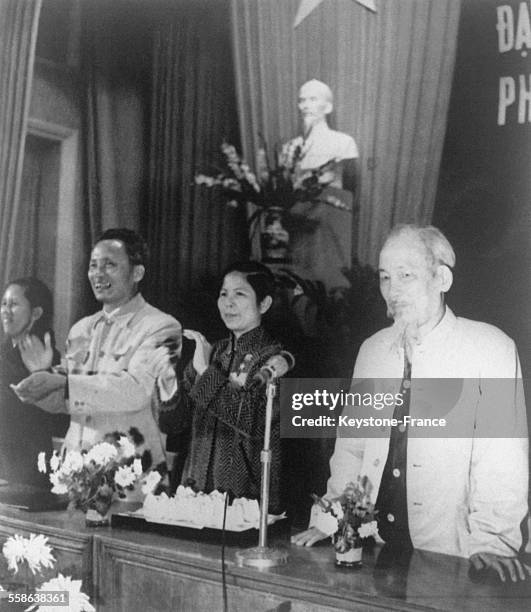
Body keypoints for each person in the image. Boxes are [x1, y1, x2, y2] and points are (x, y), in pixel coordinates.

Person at [292, 224, 530, 582]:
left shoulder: (490, 348)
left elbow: (502, 462)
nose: (393, 290)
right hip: (373, 549)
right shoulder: (372, 350)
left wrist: (491, 542)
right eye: (385, 277)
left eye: (406, 275)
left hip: (452, 553)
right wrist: (332, 519)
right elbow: (352, 449)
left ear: (442, 279)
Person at [12, 229, 181, 468]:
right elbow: (72, 403)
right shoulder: (81, 329)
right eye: (93, 266)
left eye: (109, 265)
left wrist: (64, 383)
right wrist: (39, 386)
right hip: (76, 473)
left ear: (137, 272)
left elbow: (135, 392)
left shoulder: (161, 326)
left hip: (129, 474)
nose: (97, 274)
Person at [182, 261, 284, 512]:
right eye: (223, 294)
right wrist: (163, 378)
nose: (228, 303)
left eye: (239, 294)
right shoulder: (212, 352)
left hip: (246, 501)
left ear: (264, 304)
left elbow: (250, 418)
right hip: (195, 493)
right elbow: (175, 422)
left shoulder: (275, 359)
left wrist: (205, 373)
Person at [0, 277, 68, 487]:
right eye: (4, 304)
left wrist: (41, 371)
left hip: (26, 469)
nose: (5, 311)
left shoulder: (49, 359)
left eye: (14, 304)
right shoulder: (4, 352)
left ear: (36, 313)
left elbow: (57, 418)